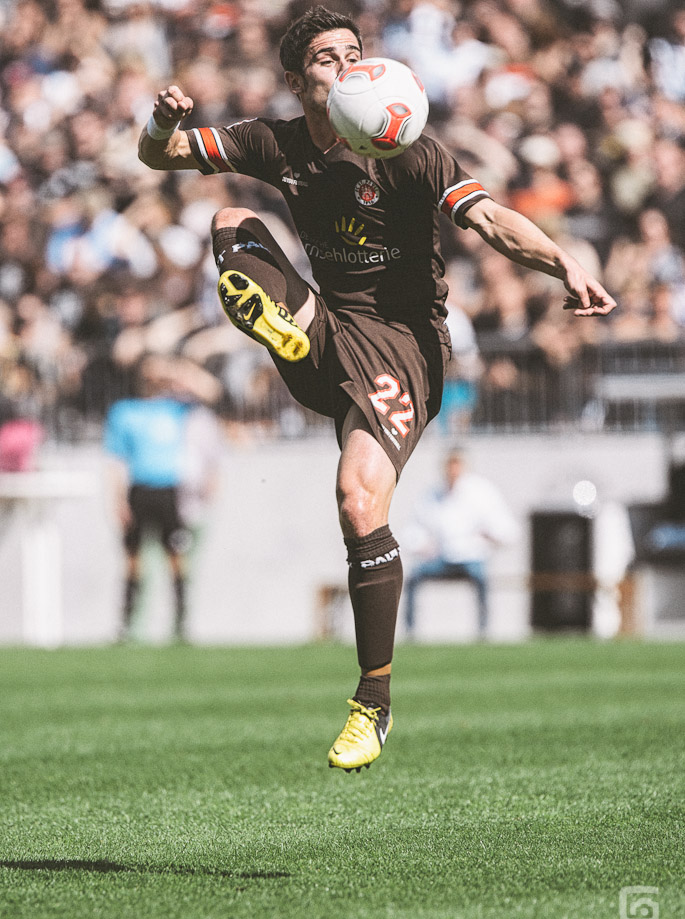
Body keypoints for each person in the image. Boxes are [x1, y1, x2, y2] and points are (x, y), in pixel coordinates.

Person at [138, 5, 616, 772]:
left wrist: (563, 262)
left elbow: (490, 220)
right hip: (329, 330)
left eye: (353, 52)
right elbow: (157, 156)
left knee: (358, 500)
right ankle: (287, 331)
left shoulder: (410, 151)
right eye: (327, 57)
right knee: (231, 217)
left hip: (402, 347)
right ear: (297, 80)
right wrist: (162, 122)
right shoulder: (275, 141)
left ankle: (372, 703)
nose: (346, 65)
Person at [104, 355, 199, 643]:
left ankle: (181, 625)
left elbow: (213, 392)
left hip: (169, 492)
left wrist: (174, 370)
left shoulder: (176, 408)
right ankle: (125, 625)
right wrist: (118, 500)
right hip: (139, 491)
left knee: (177, 558)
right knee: (133, 560)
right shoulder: (124, 411)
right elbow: (116, 460)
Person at [403, 447, 518, 639]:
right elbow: (413, 530)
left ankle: (483, 631)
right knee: (413, 577)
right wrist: (422, 545)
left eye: (456, 464)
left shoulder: (482, 492)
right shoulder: (431, 495)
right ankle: (410, 631)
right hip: (440, 557)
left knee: (480, 577)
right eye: (450, 465)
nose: (453, 470)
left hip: (471, 557)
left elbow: (506, 529)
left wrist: (491, 536)